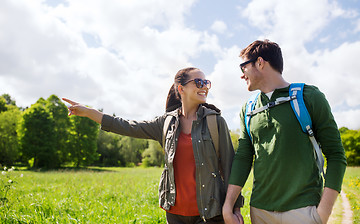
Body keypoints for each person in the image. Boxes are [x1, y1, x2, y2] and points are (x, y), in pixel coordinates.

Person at [63, 67, 243, 224]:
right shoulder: (166, 123)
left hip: (209, 213)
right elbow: (127, 126)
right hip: (174, 213)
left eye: (206, 82)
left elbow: (229, 167)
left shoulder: (215, 122)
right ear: (181, 89)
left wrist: (234, 210)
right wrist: (90, 113)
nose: (204, 86)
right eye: (198, 81)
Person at [222, 40, 347, 224]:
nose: (242, 75)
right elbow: (243, 157)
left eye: (243, 67)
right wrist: (228, 205)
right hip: (259, 211)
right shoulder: (247, 109)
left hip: (303, 211)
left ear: (260, 62)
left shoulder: (309, 97)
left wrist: (323, 213)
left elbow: (336, 155)